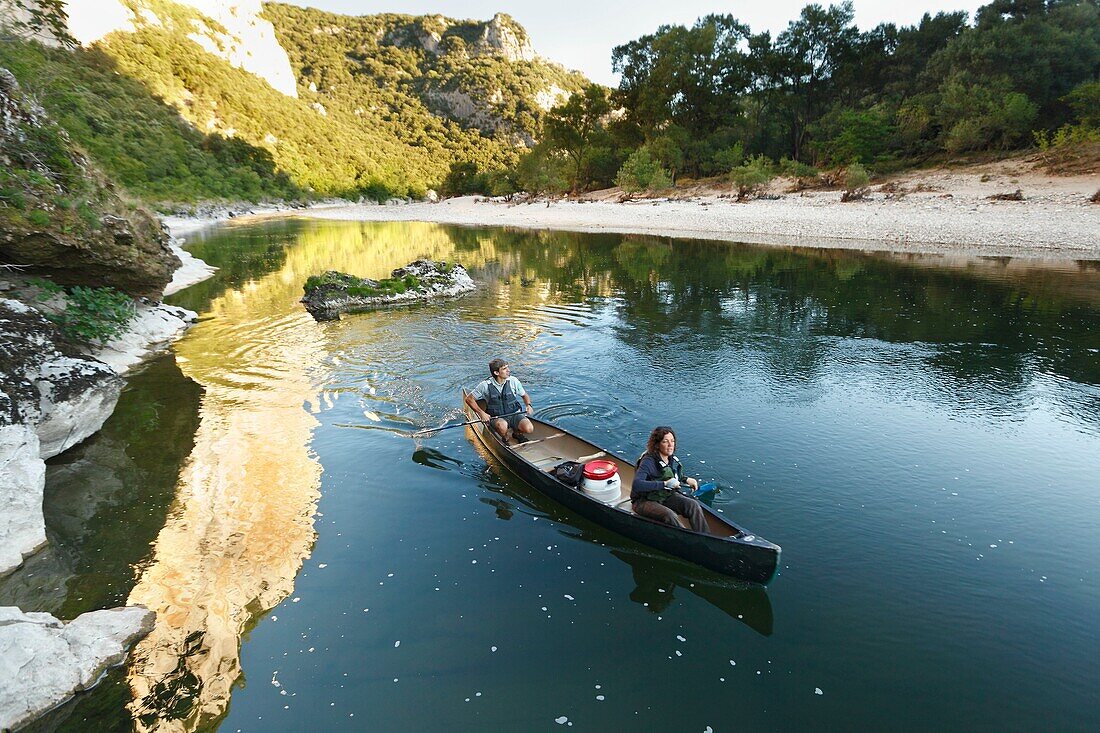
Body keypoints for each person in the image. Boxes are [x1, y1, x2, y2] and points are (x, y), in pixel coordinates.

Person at [631, 426, 707, 533]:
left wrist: (685, 479)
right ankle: (685, 540)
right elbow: (637, 485)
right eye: (665, 442)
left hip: (664, 495)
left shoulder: (669, 457)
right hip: (643, 501)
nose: (670, 445)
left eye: (672, 441)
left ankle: (703, 536)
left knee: (693, 505)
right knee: (670, 515)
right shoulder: (648, 461)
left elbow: (670, 474)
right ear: (657, 445)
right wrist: (664, 484)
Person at [465, 358, 534, 442]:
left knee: (529, 428)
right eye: (504, 369)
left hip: (514, 413)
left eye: (508, 367)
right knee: (502, 425)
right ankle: (505, 437)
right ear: (496, 373)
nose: (508, 370)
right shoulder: (485, 385)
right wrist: (481, 413)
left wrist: (528, 405)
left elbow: (524, 395)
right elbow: (469, 399)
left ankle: (516, 433)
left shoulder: (513, 381)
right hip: (496, 416)